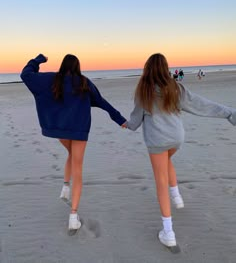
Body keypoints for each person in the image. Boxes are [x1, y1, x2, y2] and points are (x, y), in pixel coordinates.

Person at [122, 53, 236, 247]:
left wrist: (126, 124)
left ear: (147, 69)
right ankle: (177, 197)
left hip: (157, 141)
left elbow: (135, 121)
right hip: (177, 138)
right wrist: (230, 113)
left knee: (160, 182)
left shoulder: (144, 91)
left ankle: (168, 233)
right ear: (166, 68)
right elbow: (201, 105)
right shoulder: (176, 88)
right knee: (167, 161)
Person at [21, 54, 126, 231]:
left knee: (71, 155)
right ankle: (73, 216)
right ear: (77, 66)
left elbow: (26, 74)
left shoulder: (51, 79)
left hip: (59, 129)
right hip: (78, 130)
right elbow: (101, 101)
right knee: (78, 167)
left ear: (63, 65)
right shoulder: (83, 82)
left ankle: (65, 187)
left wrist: (38, 60)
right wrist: (119, 119)